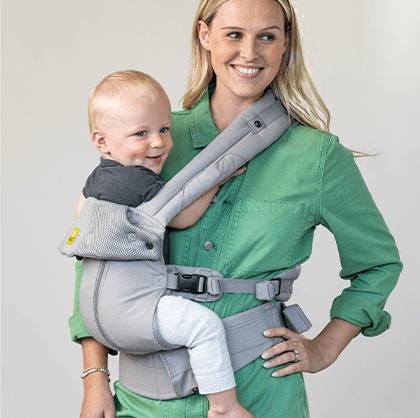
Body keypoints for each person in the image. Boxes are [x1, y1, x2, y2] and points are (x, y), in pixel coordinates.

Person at [69, 0, 402, 417]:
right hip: (146, 400)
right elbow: (98, 254)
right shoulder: (153, 138)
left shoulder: (317, 157)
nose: (249, 53)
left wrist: (324, 348)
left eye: (267, 36)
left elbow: (378, 264)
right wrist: (94, 377)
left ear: (285, 44)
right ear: (205, 36)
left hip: (258, 392)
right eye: (234, 34)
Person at [75, 69, 252, 417]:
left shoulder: (98, 178)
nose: (158, 143)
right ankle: (224, 406)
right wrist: (217, 179)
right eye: (141, 133)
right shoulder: (139, 183)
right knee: (204, 326)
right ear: (102, 141)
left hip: (97, 316)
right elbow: (182, 216)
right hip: (134, 312)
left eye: (164, 129)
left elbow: (81, 215)